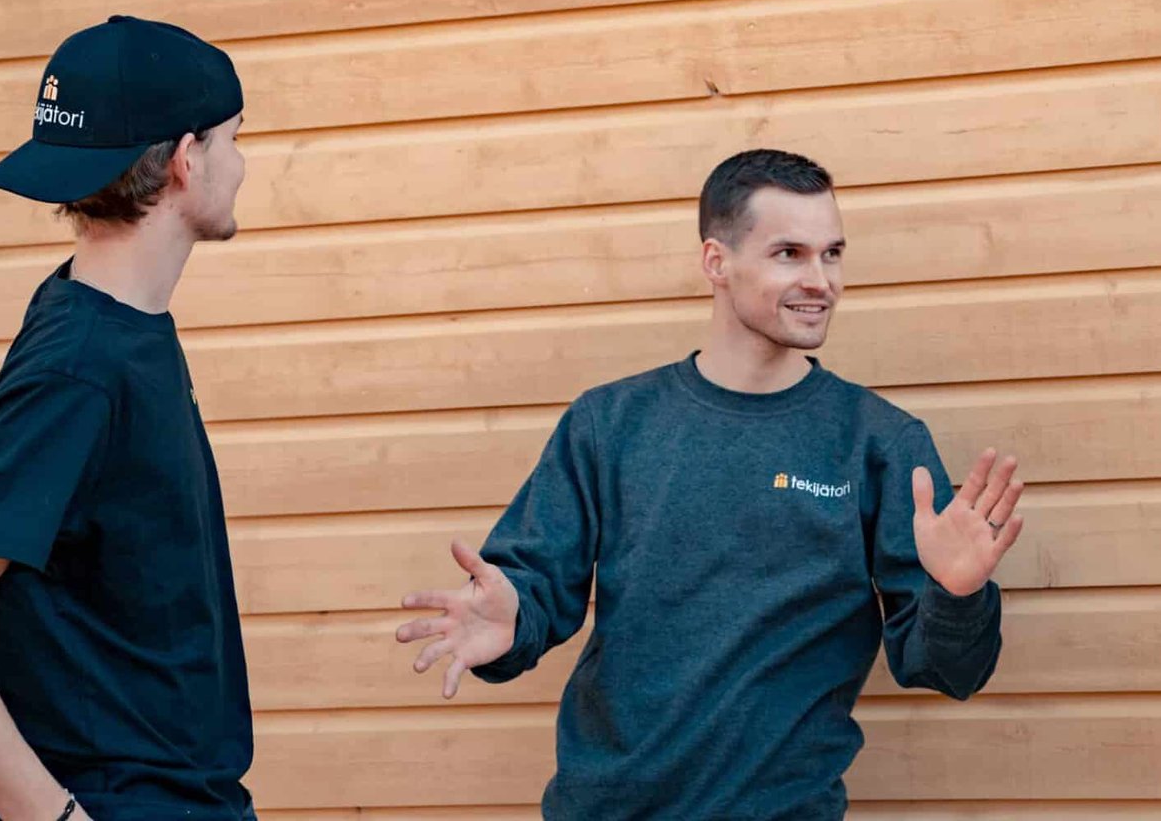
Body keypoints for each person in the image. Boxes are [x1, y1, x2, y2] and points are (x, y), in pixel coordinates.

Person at [396, 148, 1022, 819]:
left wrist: (959, 597)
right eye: (790, 254)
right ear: (716, 262)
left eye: (833, 254)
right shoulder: (610, 424)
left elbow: (947, 669)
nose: (821, 281)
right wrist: (513, 616)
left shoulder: (877, 442)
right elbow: (533, 588)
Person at [0, 16, 255, 821]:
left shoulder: (104, 324)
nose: (242, 164)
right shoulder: (81, 367)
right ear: (186, 159)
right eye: (234, 139)